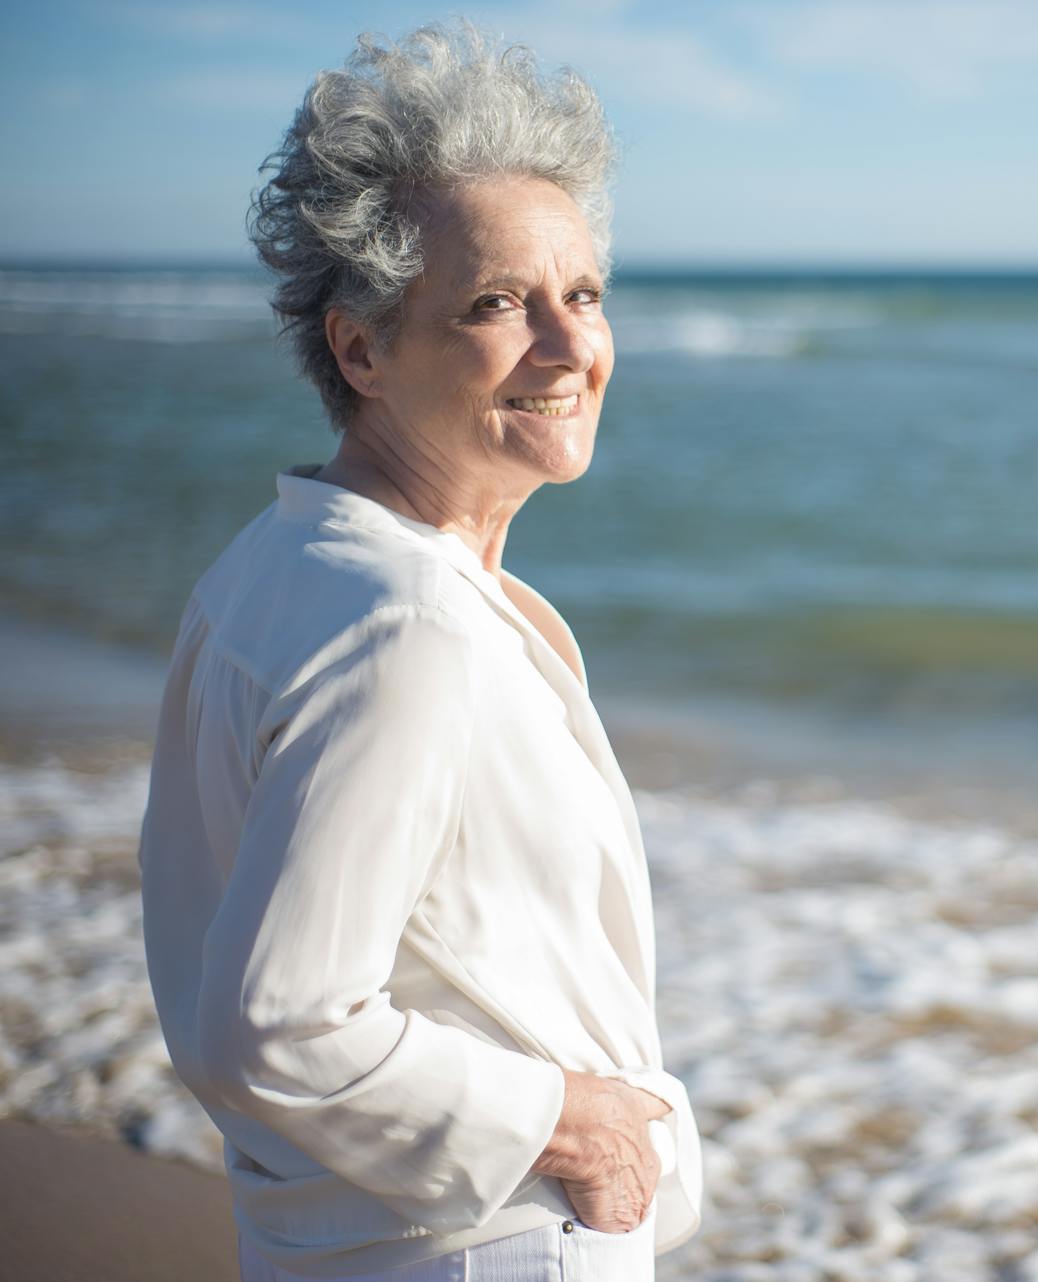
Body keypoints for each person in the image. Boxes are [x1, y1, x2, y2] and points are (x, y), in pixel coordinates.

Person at [135, 21, 702, 1280]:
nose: (569, 347)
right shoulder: (408, 624)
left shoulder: (275, 566)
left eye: (585, 293)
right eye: (497, 304)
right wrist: (574, 1120)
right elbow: (274, 1024)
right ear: (361, 347)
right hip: (483, 1246)